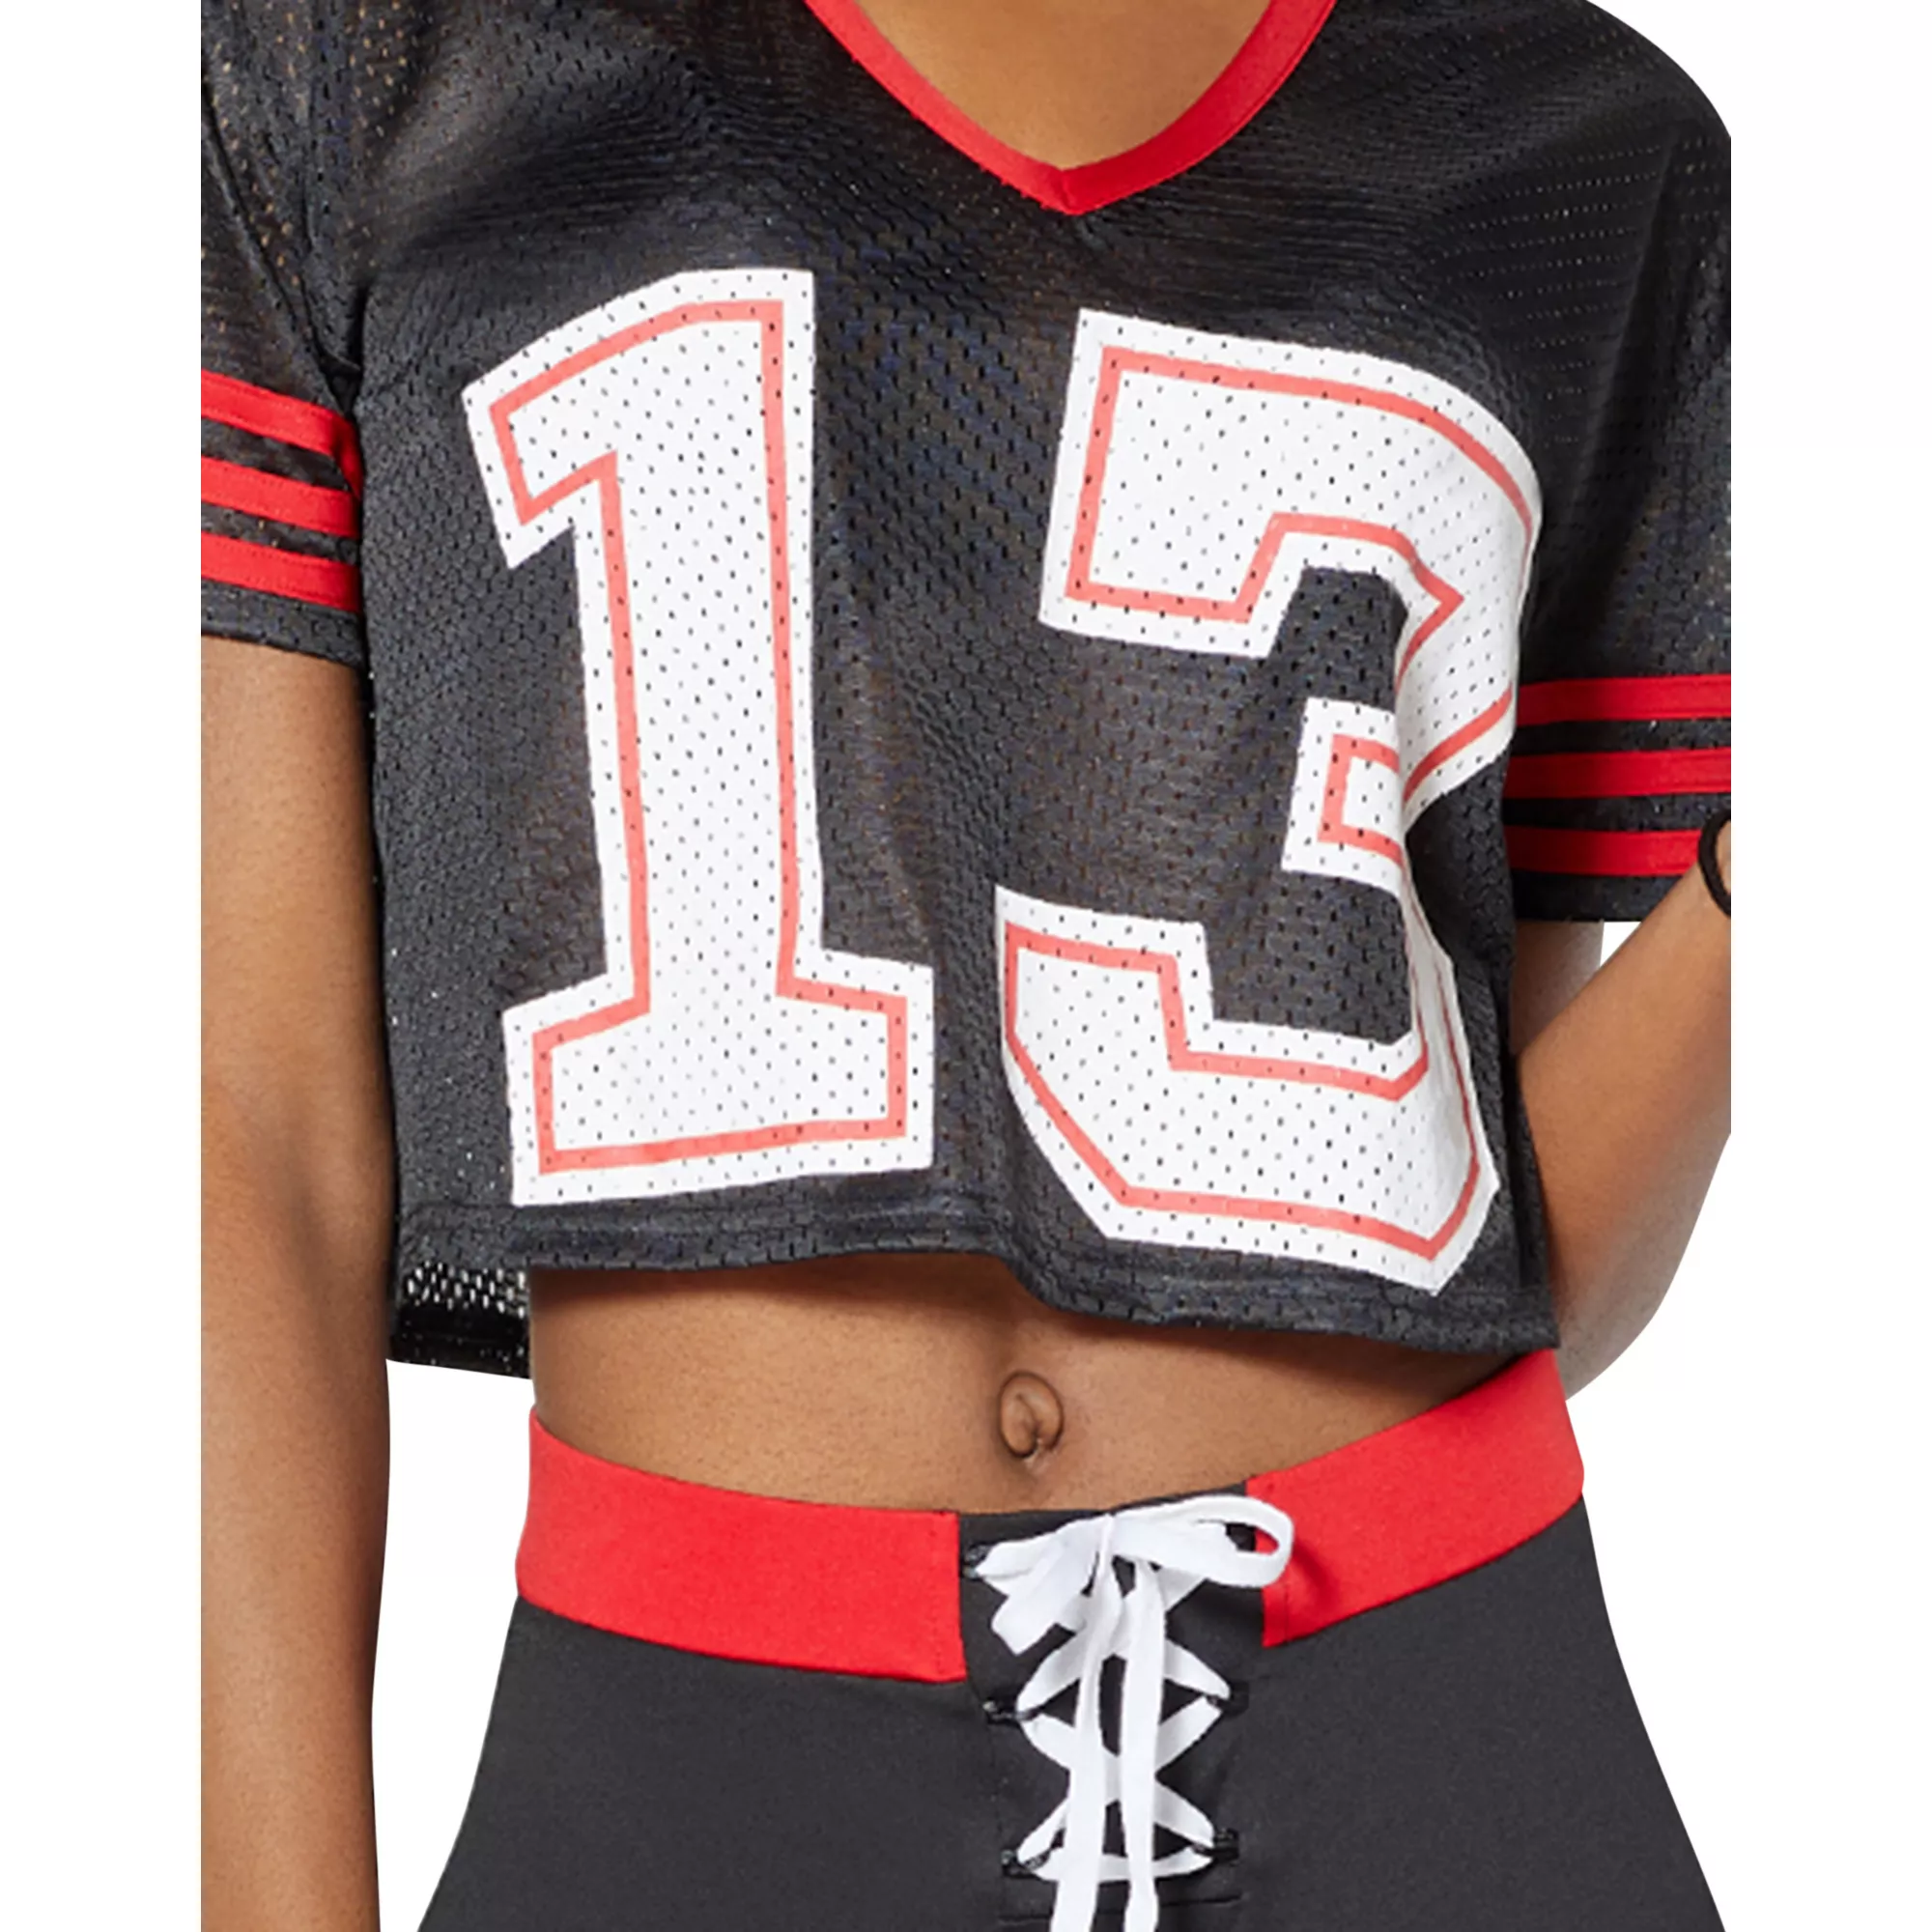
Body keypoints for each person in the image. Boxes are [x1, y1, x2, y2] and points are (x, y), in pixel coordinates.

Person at [202, 0, 1732, 1925]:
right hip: (697, 1766)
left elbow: (1522, 1253)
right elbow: (249, 1127)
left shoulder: (1580, 141)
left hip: (1438, 1724)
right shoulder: (372, 54)